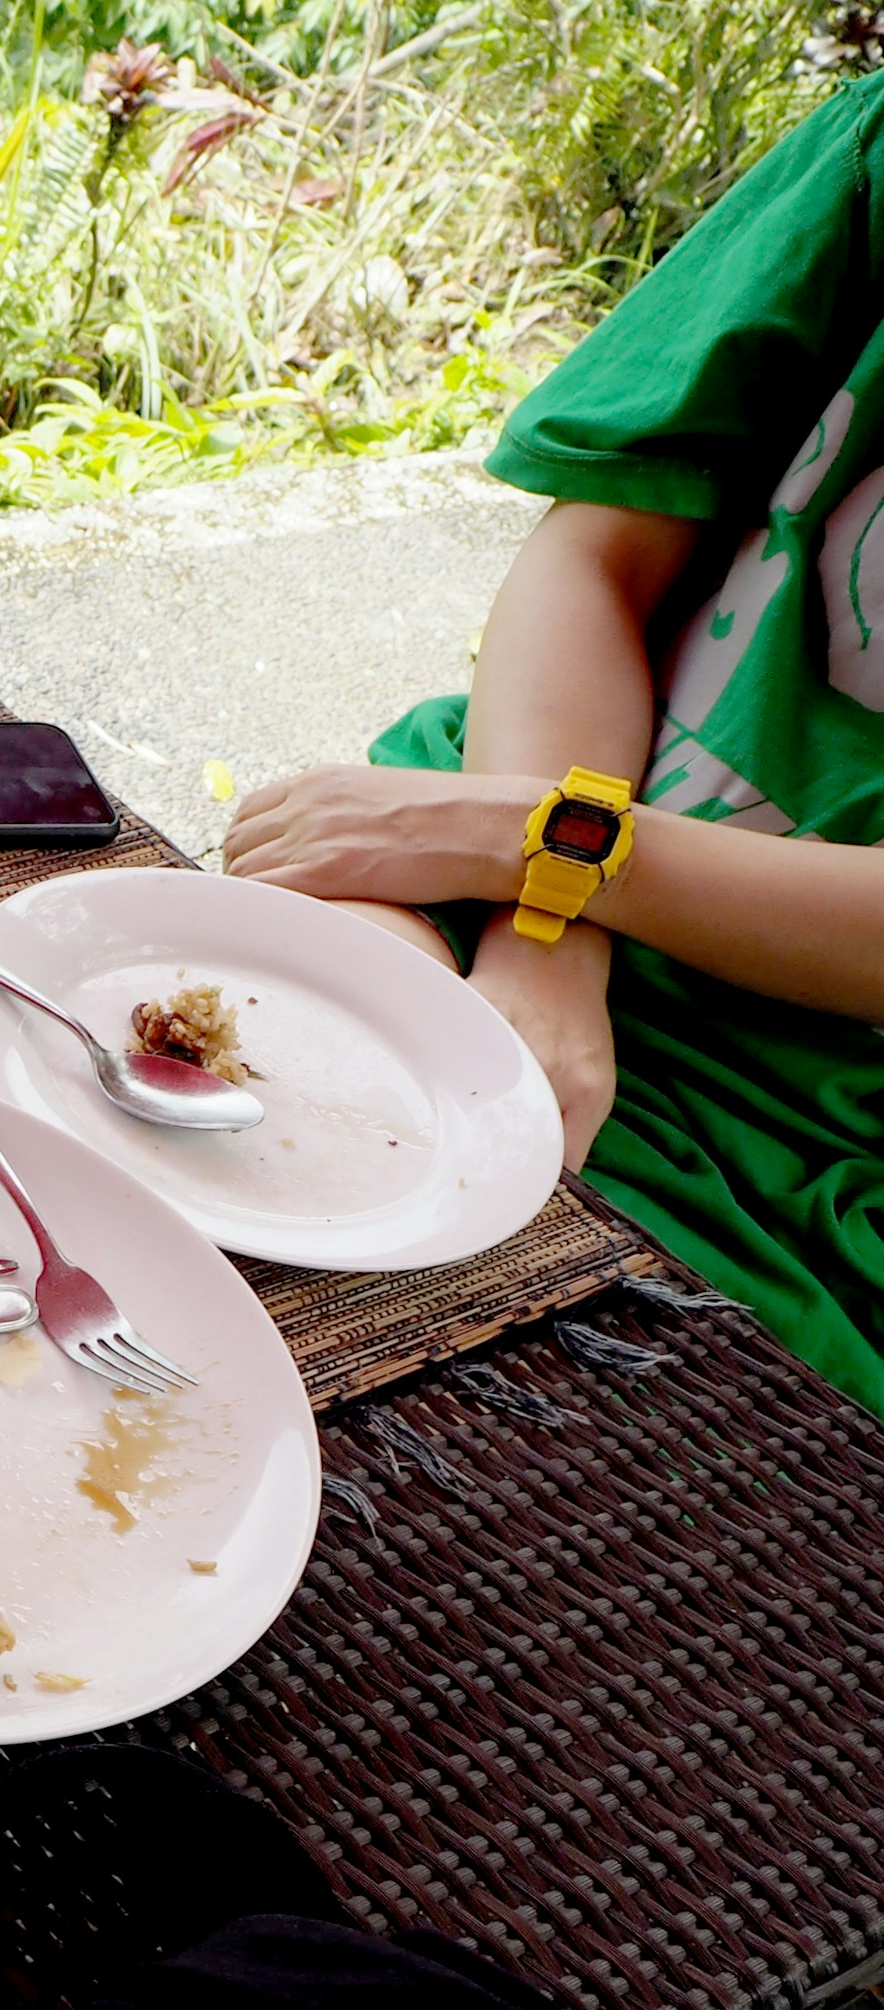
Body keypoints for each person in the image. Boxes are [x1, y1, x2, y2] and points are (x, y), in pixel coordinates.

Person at [222, 72, 884, 1418]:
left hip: (811, 1120)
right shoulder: (874, 146)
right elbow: (600, 552)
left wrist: (534, 846)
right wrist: (547, 926)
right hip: (531, 861)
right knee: (198, 1123)